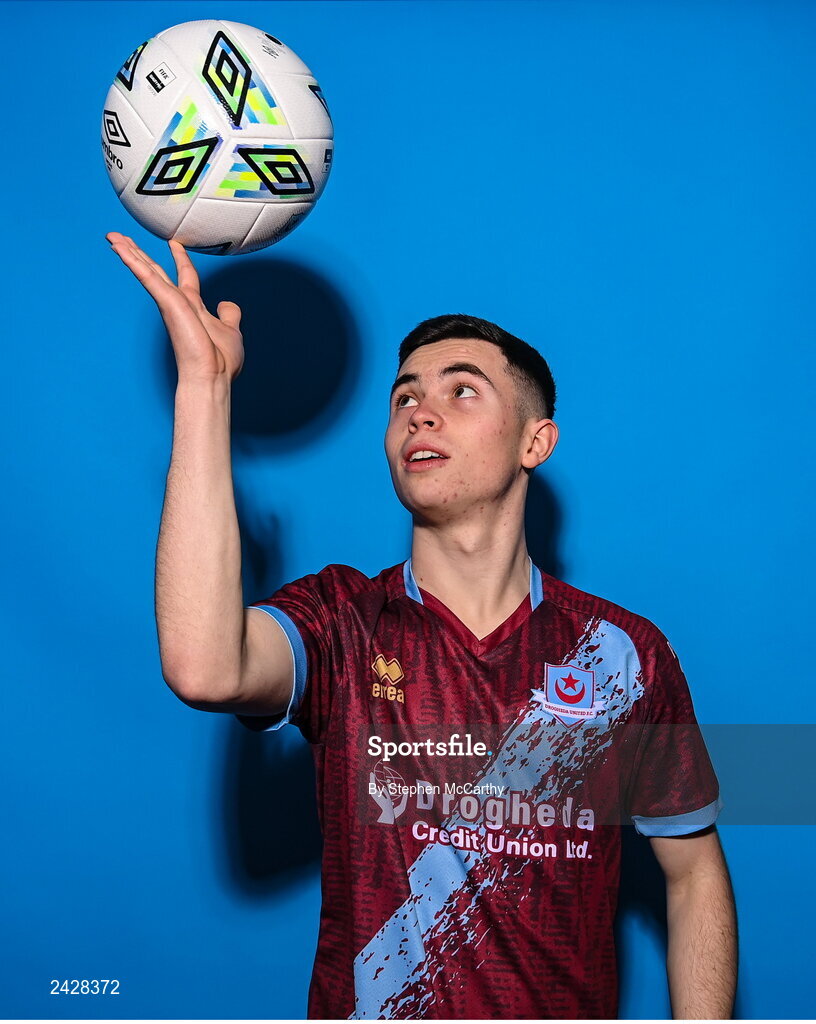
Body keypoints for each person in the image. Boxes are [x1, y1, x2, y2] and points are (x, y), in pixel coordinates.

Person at [107, 231, 738, 1020]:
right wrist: (204, 388)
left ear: (534, 442)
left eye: (461, 391)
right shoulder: (342, 620)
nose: (421, 413)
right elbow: (204, 667)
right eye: (405, 397)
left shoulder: (622, 654)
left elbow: (693, 872)